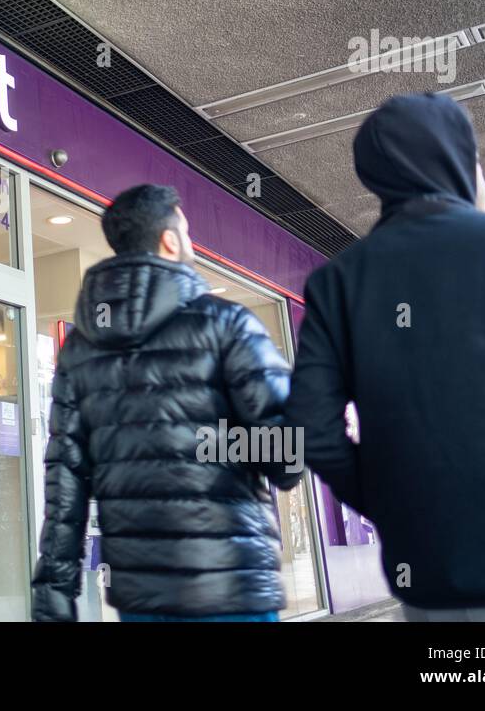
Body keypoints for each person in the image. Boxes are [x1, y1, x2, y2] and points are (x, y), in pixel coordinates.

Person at [287, 92, 485, 621]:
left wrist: (389, 501)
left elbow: (308, 426)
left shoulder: (338, 283)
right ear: (454, 163)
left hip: (432, 590)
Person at [31, 183, 301, 622]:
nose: (191, 242)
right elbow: (286, 462)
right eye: (188, 232)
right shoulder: (227, 323)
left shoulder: (80, 349)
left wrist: (53, 599)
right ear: (170, 240)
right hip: (230, 590)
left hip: (141, 602)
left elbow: (67, 483)